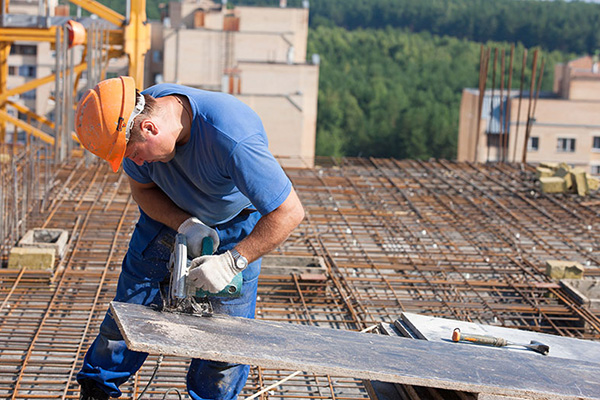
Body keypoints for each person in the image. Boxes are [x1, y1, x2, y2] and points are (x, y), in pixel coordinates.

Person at [73, 76, 305, 400]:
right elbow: (142, 190)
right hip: (169, 214)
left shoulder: (231, 136)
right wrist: (185, 225)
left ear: (150, 129)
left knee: (226, 342)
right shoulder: (136, 118)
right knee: (129, 312)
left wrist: (232, 261)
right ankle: (97, 387)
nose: (136, 162)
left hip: (236, 228)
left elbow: (289, 213)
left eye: (135, 154)